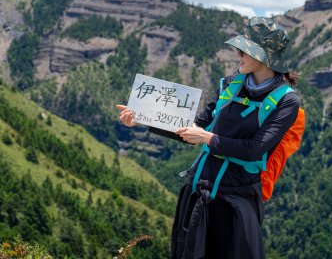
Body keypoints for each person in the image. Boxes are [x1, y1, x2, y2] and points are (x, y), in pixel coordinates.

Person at [117, 17, 300, 259]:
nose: (238, 55)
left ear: (264, 58)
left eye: (244, 50)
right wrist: (143, 119)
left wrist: (207, 138)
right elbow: (195, 129)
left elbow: (254, 150)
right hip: (198, 192)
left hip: (235, 200)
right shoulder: (229, 85)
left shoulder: (287, 101)